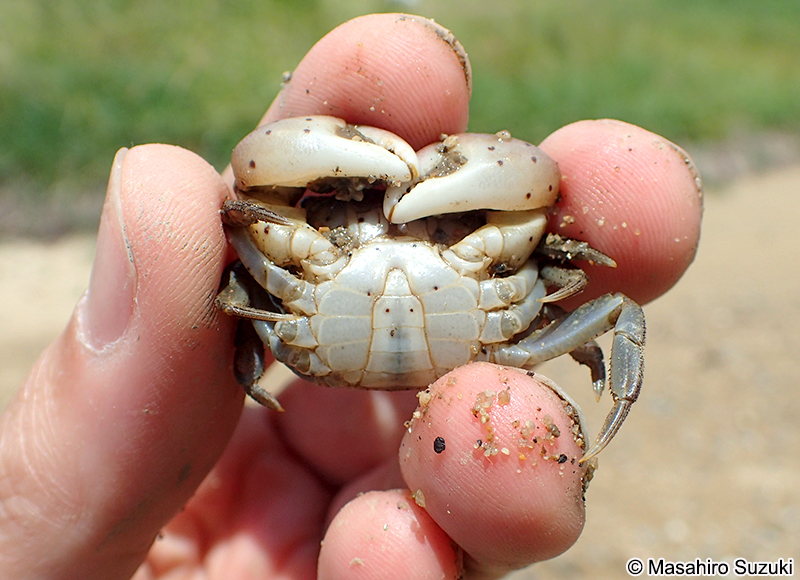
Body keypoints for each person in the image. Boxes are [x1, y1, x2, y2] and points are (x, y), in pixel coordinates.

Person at [0, 13, 702, 580]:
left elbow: (590, 284)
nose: (393, 219)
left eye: (431, 214)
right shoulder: (287, 252)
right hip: (341, 338)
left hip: (426, 337)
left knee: (614, 311)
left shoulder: (502, 254)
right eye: (353, 205)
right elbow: (241, 221)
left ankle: (599, 429)